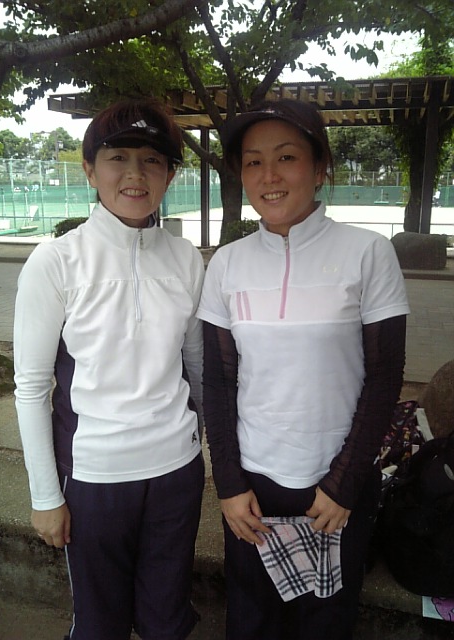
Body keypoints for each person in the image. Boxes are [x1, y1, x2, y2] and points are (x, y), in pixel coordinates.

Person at [197, 99, 410, 640]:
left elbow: (385, 375)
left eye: (286, 157)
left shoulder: (368, 253)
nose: (268, 176)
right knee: (251, 621)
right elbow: (218, 382)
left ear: (319, 169)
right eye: (253, 162)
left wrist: (344, 484)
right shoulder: (227, 264)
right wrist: (228, 483)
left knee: (326, 622)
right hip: (253, 487)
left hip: (335, 486)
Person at [14, 98, 205, 640]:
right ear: (90, 169)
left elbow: (196, 365)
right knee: (100, 624)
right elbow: (31, 388)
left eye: (152, 160)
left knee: (167, 618)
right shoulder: (56, 261)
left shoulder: (186, 258)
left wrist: (204, 442)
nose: (135, 175)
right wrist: (46, 496)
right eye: (118, 157)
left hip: (176, 473)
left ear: (170, 174)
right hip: (94, 478)